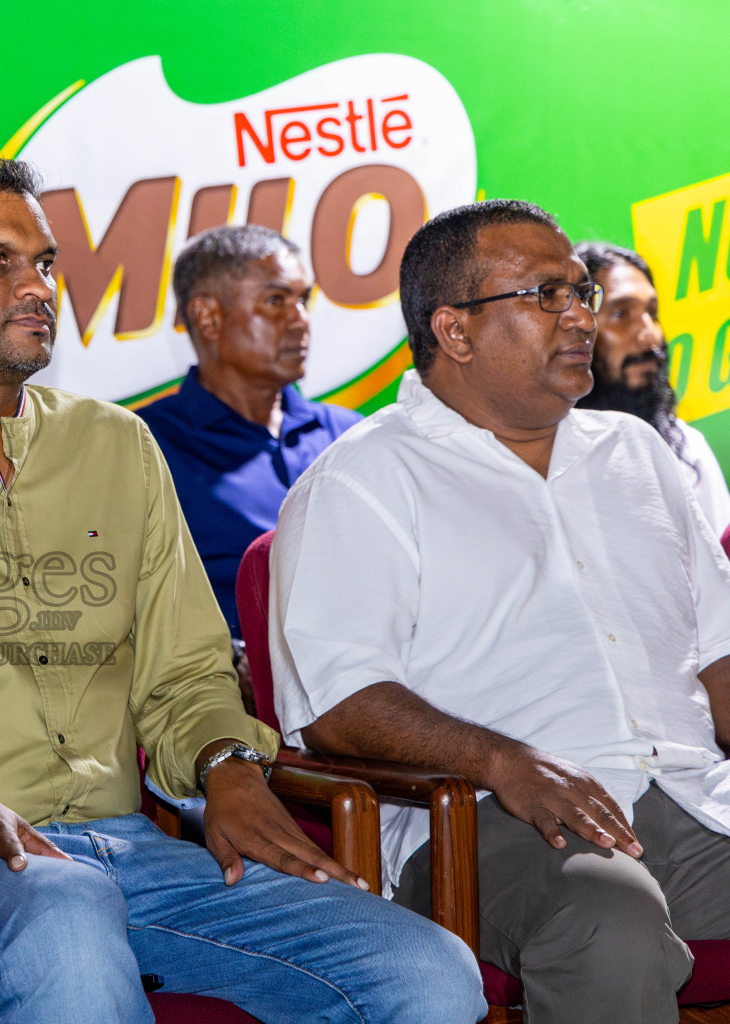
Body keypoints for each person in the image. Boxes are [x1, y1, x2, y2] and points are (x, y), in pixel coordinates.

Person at [0, 155, 482, 1023]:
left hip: (134, 857)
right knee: (67, 918)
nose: (39, 287)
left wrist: (224, 762)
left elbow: (186, 677)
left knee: (425, 969)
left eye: (45, 263)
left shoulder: (115, 445)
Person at [271, 199, 730, 1024]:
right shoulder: (363, 481)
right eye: (547, 295)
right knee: (607, 919)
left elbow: (718, 654)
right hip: (490, 823)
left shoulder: (638, 455)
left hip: (693, 795)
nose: (580, 316)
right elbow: (340, 704)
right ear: (455, 331)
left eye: (582, 292)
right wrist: (503, 761)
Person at [138, 224, 360, 702]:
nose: (301, 321)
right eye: (277, 301)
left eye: (304, 300)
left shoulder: (354, 435)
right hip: (228, 717)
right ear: (208, 316)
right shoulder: (140, 447)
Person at [574, 241, 730, 534]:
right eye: (621, 314)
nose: (650, 335)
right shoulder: (544, 455)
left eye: (653, 313)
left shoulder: (686, 449)